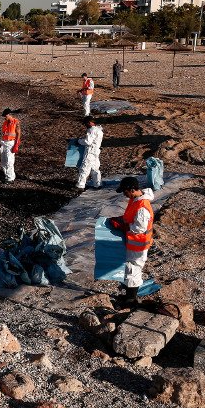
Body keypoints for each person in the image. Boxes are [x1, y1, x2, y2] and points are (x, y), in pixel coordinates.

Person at [109, 177, 155, 305]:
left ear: (132, 189)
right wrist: (121, 219)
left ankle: (131, 299)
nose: (124, 194)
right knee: (130, 268)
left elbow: (139, 228)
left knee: (133, 269)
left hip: (138, 245)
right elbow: (131, 217)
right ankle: (129, 294)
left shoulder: (142, 207)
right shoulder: (134, 200)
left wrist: (124, 227)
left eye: (125, 191)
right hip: (134, 243)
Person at [76, 116, 104, 191]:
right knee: (95, 168)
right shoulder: (99, 130)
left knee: (84, 168)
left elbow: (88, 142)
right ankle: (97, 184)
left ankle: (80, 185)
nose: (85, 126)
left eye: (86, 124)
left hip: (90, 151)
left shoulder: (91, 130)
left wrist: (79, 141)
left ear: (89, 123)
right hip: (96, 151)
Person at [0, 108, 22, 183]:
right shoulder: (5, 123)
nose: (4, 117)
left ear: (9, 114)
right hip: (4, 143)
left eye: (5, 116)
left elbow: (18, 133)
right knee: (3, 161)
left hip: (11, 143)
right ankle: (6, 175)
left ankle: (10, 178)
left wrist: (16, 144)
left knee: (9, 161)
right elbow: (4, 134)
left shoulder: (16, 122)